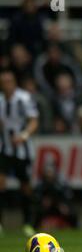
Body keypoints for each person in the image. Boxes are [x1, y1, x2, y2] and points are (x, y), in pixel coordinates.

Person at [0, 69, 39, 236]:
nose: (6, 84)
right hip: (4, 148)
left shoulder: (23, 98)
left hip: (22, 150)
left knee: (26, 187)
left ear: (14, 82)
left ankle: (28, 222)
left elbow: (34, 121)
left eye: (9, 80)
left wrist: (24, 135)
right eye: (3, 81)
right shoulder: (0, 100)